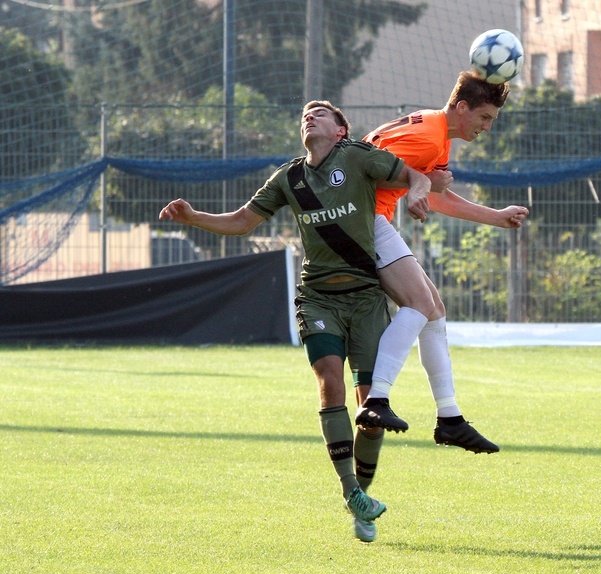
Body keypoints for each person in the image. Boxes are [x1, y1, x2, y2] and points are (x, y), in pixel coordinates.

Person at [159, 100, 431, 543]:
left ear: (341, 130)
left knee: (371, 411)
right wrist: (194, 218)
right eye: (306, 114)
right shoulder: (288, 178)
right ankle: (351, 491)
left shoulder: (360, 157)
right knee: (330, 382)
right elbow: (242, 221)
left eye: (322, 112)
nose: (311, 115)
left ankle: (360, 496)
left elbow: (414, 176)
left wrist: (418, 191)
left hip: (366, 298)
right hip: (318, 297)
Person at [361, 70, 529, 454]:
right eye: (484, 118)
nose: (487, 128)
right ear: (463, 107)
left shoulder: (436, 132)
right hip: (360, 219)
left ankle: (450, 419)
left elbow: (435, 196)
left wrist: (496, 216)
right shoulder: (426, 137)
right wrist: (419, 182)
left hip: (371, 217)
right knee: (421, 305)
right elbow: (359, 175)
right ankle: (377, 400)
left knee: (434, 311)